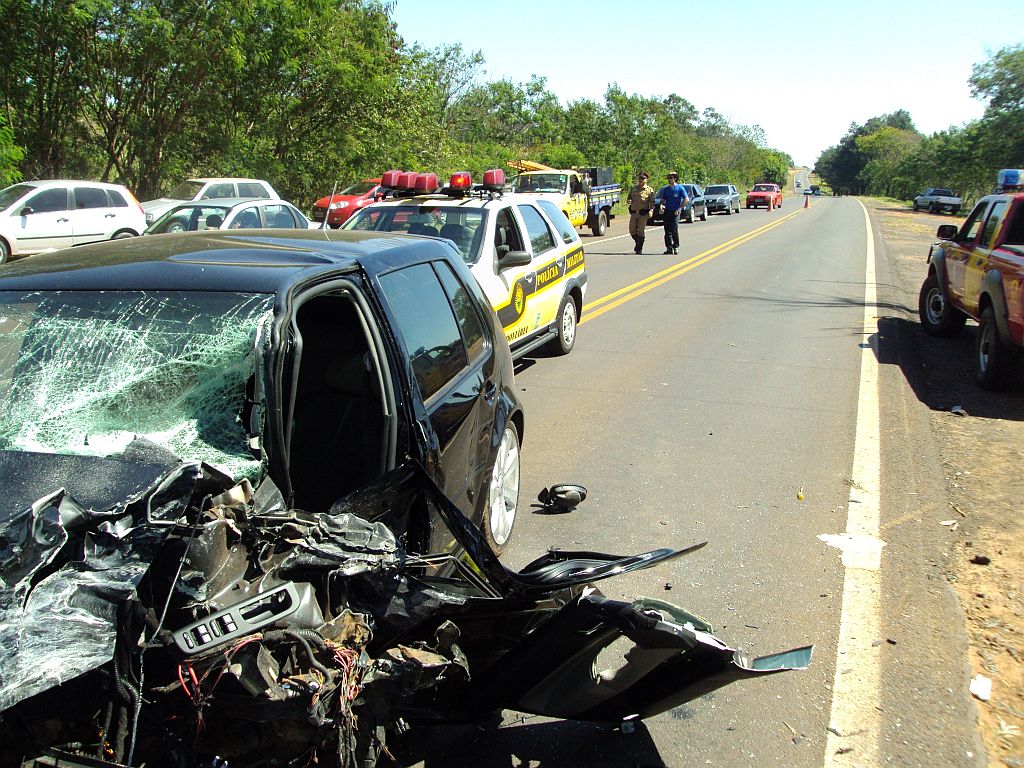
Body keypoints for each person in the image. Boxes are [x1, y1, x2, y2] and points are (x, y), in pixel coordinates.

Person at [657, 172, 689, 254]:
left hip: (676, 211)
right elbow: (663, 200)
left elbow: (686, 199)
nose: (669, 179)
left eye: (671, 178)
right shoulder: (666, 189)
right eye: (668, 178)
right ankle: (669, 248)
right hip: (667, 211)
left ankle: (676, 246)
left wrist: (679, 208)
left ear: (675, 178)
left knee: (674, 229)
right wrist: (661, 206)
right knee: (667, 230)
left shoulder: (680, 188)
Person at [626, 171, 656, 254]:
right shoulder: (633, 189)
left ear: (646, 180)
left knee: (641, 231)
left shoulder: (649, 190)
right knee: (632, 230)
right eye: (640, 178)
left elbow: (652, 202)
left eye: (643, 178)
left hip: (643, 213)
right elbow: (629, 198)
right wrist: (629, 200)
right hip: (634, 212)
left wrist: (651, 210)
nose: (641, 180)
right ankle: (638, 242)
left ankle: (639, 248)